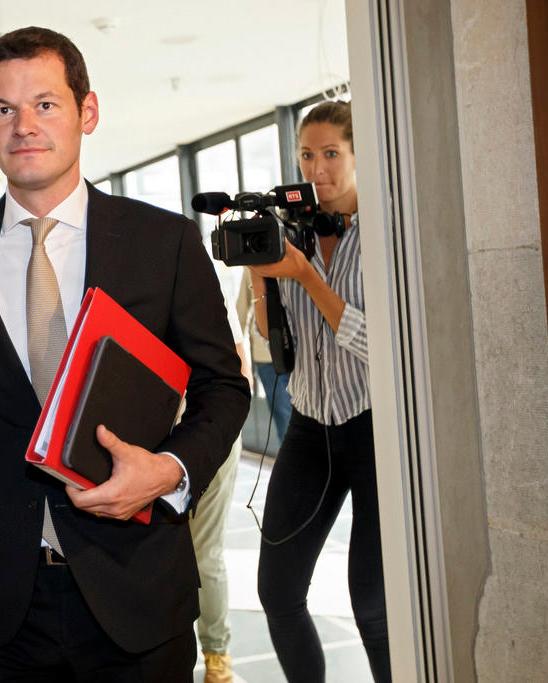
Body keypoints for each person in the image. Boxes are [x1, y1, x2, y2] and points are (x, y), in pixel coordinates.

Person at [0, 26, 250, 682]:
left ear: (87, 112)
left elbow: (224, 388)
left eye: (45, 104)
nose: (23, 125)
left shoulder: (163, 243)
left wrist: (170, 470)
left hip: (137, 593)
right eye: (4, 108)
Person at [249, 100, 391, 682]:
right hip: (310, 423)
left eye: (332, 153)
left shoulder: (383, 233)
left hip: (376, 427)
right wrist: (261, 274)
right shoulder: (291, 233)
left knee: (376, 607)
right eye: (307, 155)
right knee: (277, 591)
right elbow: (270, 339)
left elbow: (383, 347)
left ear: (359, 156)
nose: (317, 169)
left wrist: (308, 275)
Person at [190, 260, 252, 683]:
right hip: (200, 438)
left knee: (202, 554)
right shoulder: (203, 282)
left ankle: (216, 660)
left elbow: (241, 368)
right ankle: (215, 662)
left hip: (207, 442)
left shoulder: (200, 286)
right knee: (202, 554)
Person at [237, 267, 292, 443]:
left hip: (299, 354)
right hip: (267, 358)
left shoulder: (296, 260)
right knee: (284, 418)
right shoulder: (252, 266)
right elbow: (241, 312)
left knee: (305, 417)